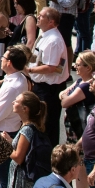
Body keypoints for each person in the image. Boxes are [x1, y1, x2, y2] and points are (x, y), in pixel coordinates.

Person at [28, 8, 69, 144]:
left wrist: (30, 70)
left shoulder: (53, 41)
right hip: (41, 86)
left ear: (51, 21)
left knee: (46, 125)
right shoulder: (46, 34)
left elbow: (51, 67)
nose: (37, 17)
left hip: (48, 90)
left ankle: (47, 155)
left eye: (41, 16)